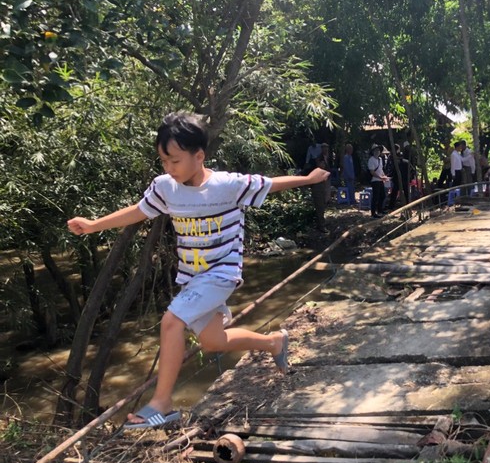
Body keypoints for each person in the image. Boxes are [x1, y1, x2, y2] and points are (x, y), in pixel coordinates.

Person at [67, 112, 329, 428]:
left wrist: (309, 179)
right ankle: (273, 342)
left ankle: (162, 404)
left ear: (199, 156)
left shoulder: (227, 185)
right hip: (192, 278)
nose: (169, 167)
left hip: (221, 274)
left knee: (171, 322)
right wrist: (94, 225)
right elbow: (139, 211)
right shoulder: (165, 188)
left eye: (175, 160)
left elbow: (271, 184)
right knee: (213, 342)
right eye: (164, 160)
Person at [309, 144, 331, 232]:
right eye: (324, 148)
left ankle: (321, 223)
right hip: (318, 185)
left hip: (324, 183)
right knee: (320, 205)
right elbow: (321, 167)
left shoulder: (328, 158)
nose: (326, 149)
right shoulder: (318, 158)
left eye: (327, 148)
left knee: (324, 203)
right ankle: (321, 225)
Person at [367, 144, 389, 217]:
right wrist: (380, 177)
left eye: (378, 150)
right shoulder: (371, 160)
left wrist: (384, 176)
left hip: (380, 180)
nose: (377, 152)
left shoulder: (380, 159)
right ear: (373, 152)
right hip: (375, 180)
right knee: (375, 197)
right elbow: (372, 172)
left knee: (382, 195)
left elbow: (381, 169)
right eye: (375, 150)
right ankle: (373, 213)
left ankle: (380, 210)